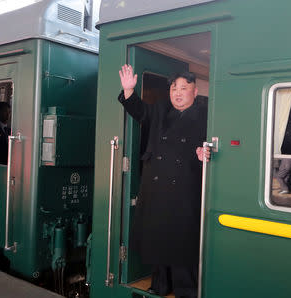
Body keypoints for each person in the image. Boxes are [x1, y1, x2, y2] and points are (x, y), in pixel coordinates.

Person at [118, 64, 208, 298]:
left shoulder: (207, 114)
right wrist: (129, 91)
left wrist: (206, 154)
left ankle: (186, 290)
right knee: (158, 238)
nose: (177, 93)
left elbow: (215, 145)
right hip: (156, 188)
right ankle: (159, 285)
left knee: (181, 241)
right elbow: (139, 111)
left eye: (183, 88)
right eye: (173, 88)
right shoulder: (160, 110)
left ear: (195, 91)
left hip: (185, 189)